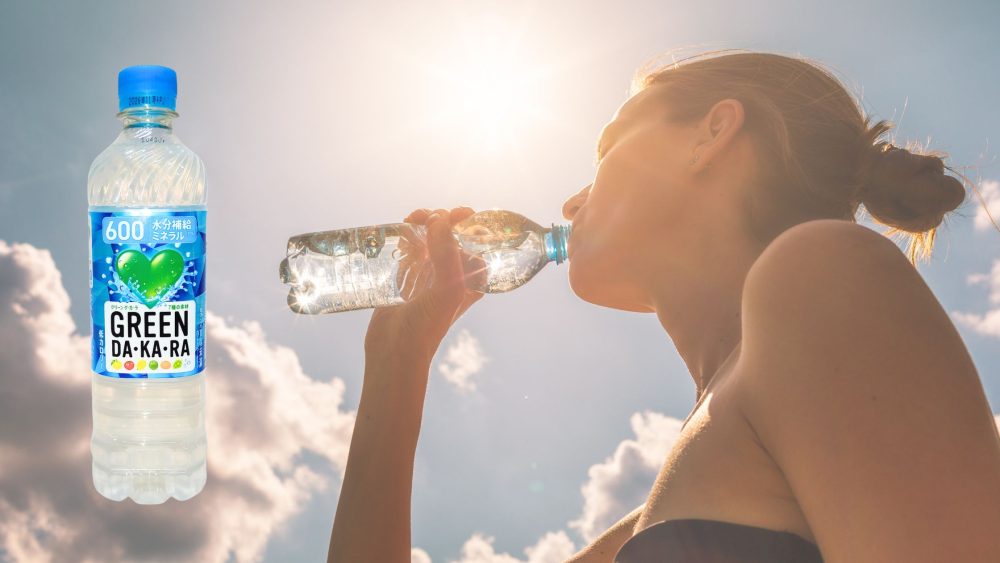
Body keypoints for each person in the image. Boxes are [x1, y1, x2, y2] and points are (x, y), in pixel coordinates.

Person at [327, 49, 1000, 562]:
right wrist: (395, 361)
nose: (568, 203)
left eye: (608, 144)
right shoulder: (658, 510)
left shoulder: (823, 271)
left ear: (711, 134)